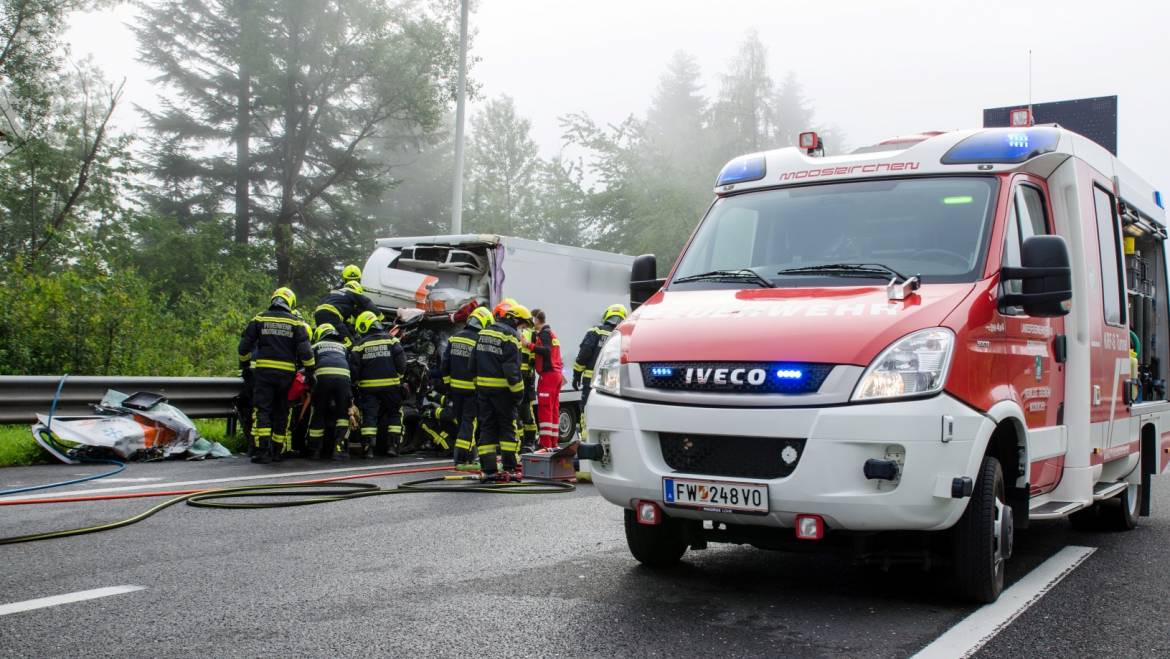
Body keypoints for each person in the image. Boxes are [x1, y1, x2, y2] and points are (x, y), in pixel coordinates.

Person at [237, 287, 314, 463]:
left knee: (263, 410)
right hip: (286, 376)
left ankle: (262, 452)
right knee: (282, 411)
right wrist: (310, 372)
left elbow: (243, 347)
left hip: (263, 374)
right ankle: (277, 452)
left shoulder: (260, 318)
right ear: (290, 303)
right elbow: (306, 352)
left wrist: (246, 365)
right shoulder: (296, 323)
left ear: (274, 299)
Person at [473, 301, 531, 481]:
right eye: (521, 325)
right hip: (503, 392)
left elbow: (472, 362)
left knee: (487, 427)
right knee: (508, 428)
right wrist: (518, 394)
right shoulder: (511, 337)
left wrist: (479, 385)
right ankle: (509, 467)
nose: (521, 330)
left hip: (484, 391)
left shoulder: (483, 332)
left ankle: (489, 469)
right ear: (515, 320)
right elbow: (511, 371)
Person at [441, 306, 492, 466]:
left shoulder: (454, 338)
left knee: (462, 420)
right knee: (469, 422)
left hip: (455, 390)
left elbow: (445, 365)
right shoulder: (479, 341)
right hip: (473, 390)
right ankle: (461, 457)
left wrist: (448, 386)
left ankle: (471, 454)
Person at [352, 310, 406, 458]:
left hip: (368, 388)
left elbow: (355, 368)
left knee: (369, 416)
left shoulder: (360, 345)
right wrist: (399, 377)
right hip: (391, 386)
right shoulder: (391, 340)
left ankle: (368, 449)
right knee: (395, 414)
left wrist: (356, 383)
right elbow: (401, 362)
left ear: (364, 327)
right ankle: (393, 447)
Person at [573, 303, 627, 431]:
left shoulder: (595, 331)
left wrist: (576, 374)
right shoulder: (624, 335)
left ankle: (587, 439)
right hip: (614, 383)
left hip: (591, 381)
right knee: (609, 411)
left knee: (587, 409)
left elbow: (584, 353)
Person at [307, 323, 354, 460]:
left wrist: (310, 384)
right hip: (343, 379)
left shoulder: (315, 346)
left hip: (322, 378)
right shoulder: (343, 347)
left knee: (319, 412)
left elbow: (308, 365)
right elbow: (351, 365)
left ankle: (314, 450)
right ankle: (339, 451)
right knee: (342, 415)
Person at [530, 309, 564, 449]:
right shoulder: (552, 333)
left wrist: (529, 345)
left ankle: (545, 444)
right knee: (554, 409)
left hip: (548, 376)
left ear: (536, 320)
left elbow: (546, 351)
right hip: (556, 375)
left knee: (545, 409)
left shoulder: (544, 334)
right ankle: (553, 443)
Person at [313, 280, 379, 346]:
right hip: (331, 314)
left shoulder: (335, 293)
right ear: (357, 290)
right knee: (349, 342)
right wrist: (381, 319)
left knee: (325, 338)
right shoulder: (351, 291)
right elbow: (367, 303)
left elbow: (345, 323)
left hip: (318, 314)